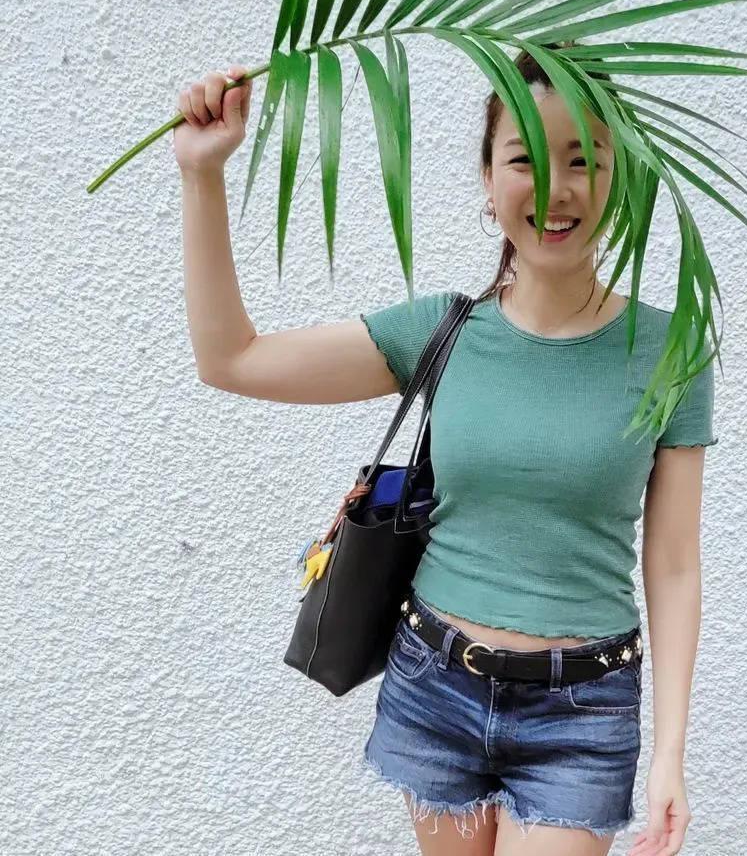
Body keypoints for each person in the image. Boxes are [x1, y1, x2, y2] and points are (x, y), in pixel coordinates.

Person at [174, 43, 716, 856]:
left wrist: (670, 754)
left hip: (582, 711)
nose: (556, 188)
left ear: (621, 179)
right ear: (490, 183)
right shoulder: (443, 331)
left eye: (583, 160)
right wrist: (202, 173)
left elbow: (672, 564)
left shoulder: (672, 350)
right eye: (525, 160)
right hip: (437, 685)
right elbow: (232, 359)